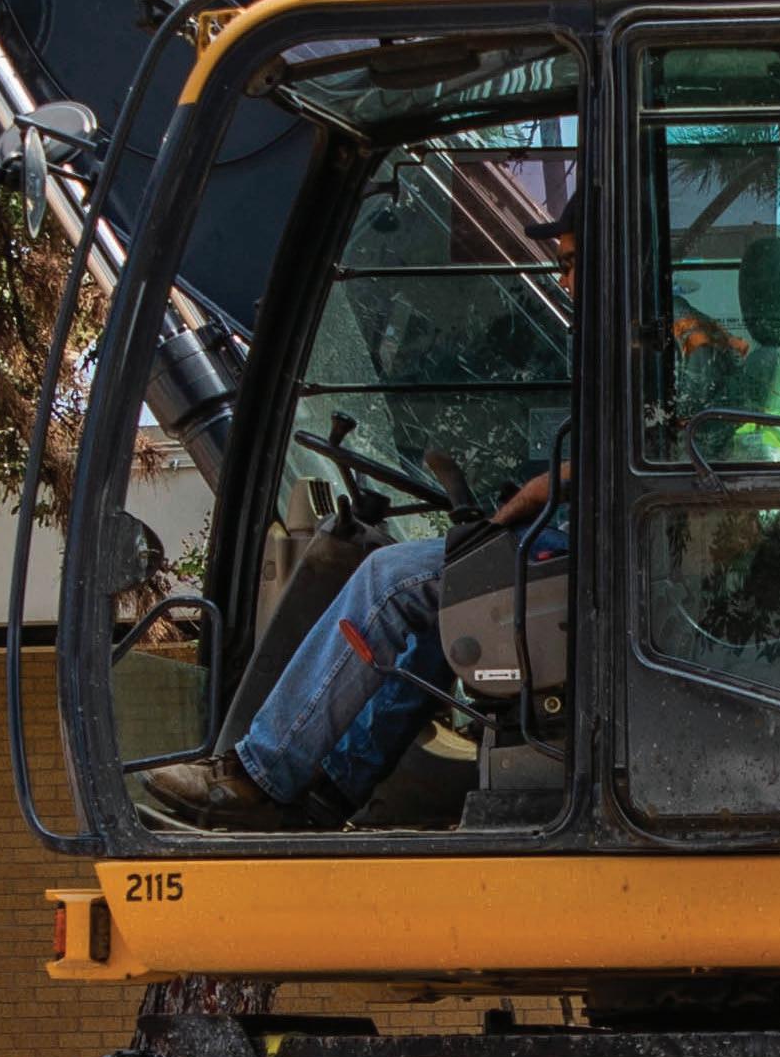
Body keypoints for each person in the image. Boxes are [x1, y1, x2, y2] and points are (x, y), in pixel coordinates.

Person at [141, 205, 576, 830]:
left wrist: (528, 499)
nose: (564, 280)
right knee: (445, 607)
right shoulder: (634, 342)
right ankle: (333, 792)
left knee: (388, 580)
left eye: (571, 262)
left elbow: (604, 466)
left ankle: (260, 773)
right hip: (592, 544)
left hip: (595, 554)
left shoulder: (643, 342)